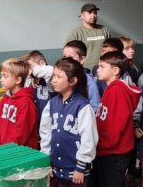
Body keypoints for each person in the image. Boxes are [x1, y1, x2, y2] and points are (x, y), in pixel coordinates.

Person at [40, 57, 98, 187]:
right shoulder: (51, 104)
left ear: (72, 81)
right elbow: (46, 134)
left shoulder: (83, 106)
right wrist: (46, 161)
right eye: (53, 75)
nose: (53, 80)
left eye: (59, 77)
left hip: (77, 170)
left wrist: (80, 167)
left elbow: (89, 138)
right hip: (57, 168)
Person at [93, 51, 142, 187]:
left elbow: (116, 127)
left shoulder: (117, 92)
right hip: (106, 152)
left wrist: (101, 146)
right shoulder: (110, 89)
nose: (98, 69)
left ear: (115, 70)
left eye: (102, 66)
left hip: (113, 153)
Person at [0, 58, 38, 149]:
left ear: (18, 80)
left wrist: (7, 150)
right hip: (3, 151)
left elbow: (21, 133)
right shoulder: (4, 100)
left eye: (5, 76)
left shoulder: (26, 103)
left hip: (20, 155)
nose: (1, 80)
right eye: (1, 76)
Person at [66, 3, 110, 71]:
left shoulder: (104, 30)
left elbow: (111, 49)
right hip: (85, 71)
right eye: (89, 13)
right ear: (82, 16)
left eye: (95, 13)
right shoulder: (75, 33)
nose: (93, 15)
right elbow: (68, 55)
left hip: (104, 69)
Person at [62, 40, 101, 112]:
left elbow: (95, 107)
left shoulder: (88, 81)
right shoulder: (61, 78)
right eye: (64, 57)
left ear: (82, 59)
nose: (66, 61)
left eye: (70, 58)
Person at [22, 50, 57, 125]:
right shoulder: (30, 81)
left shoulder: (51, 80)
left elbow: (51, 71)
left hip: (51, 123)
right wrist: (31, 77)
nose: (29, 72)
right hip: (37, 124)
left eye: (31, 67)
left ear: (42, 63)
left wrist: (35, 73)